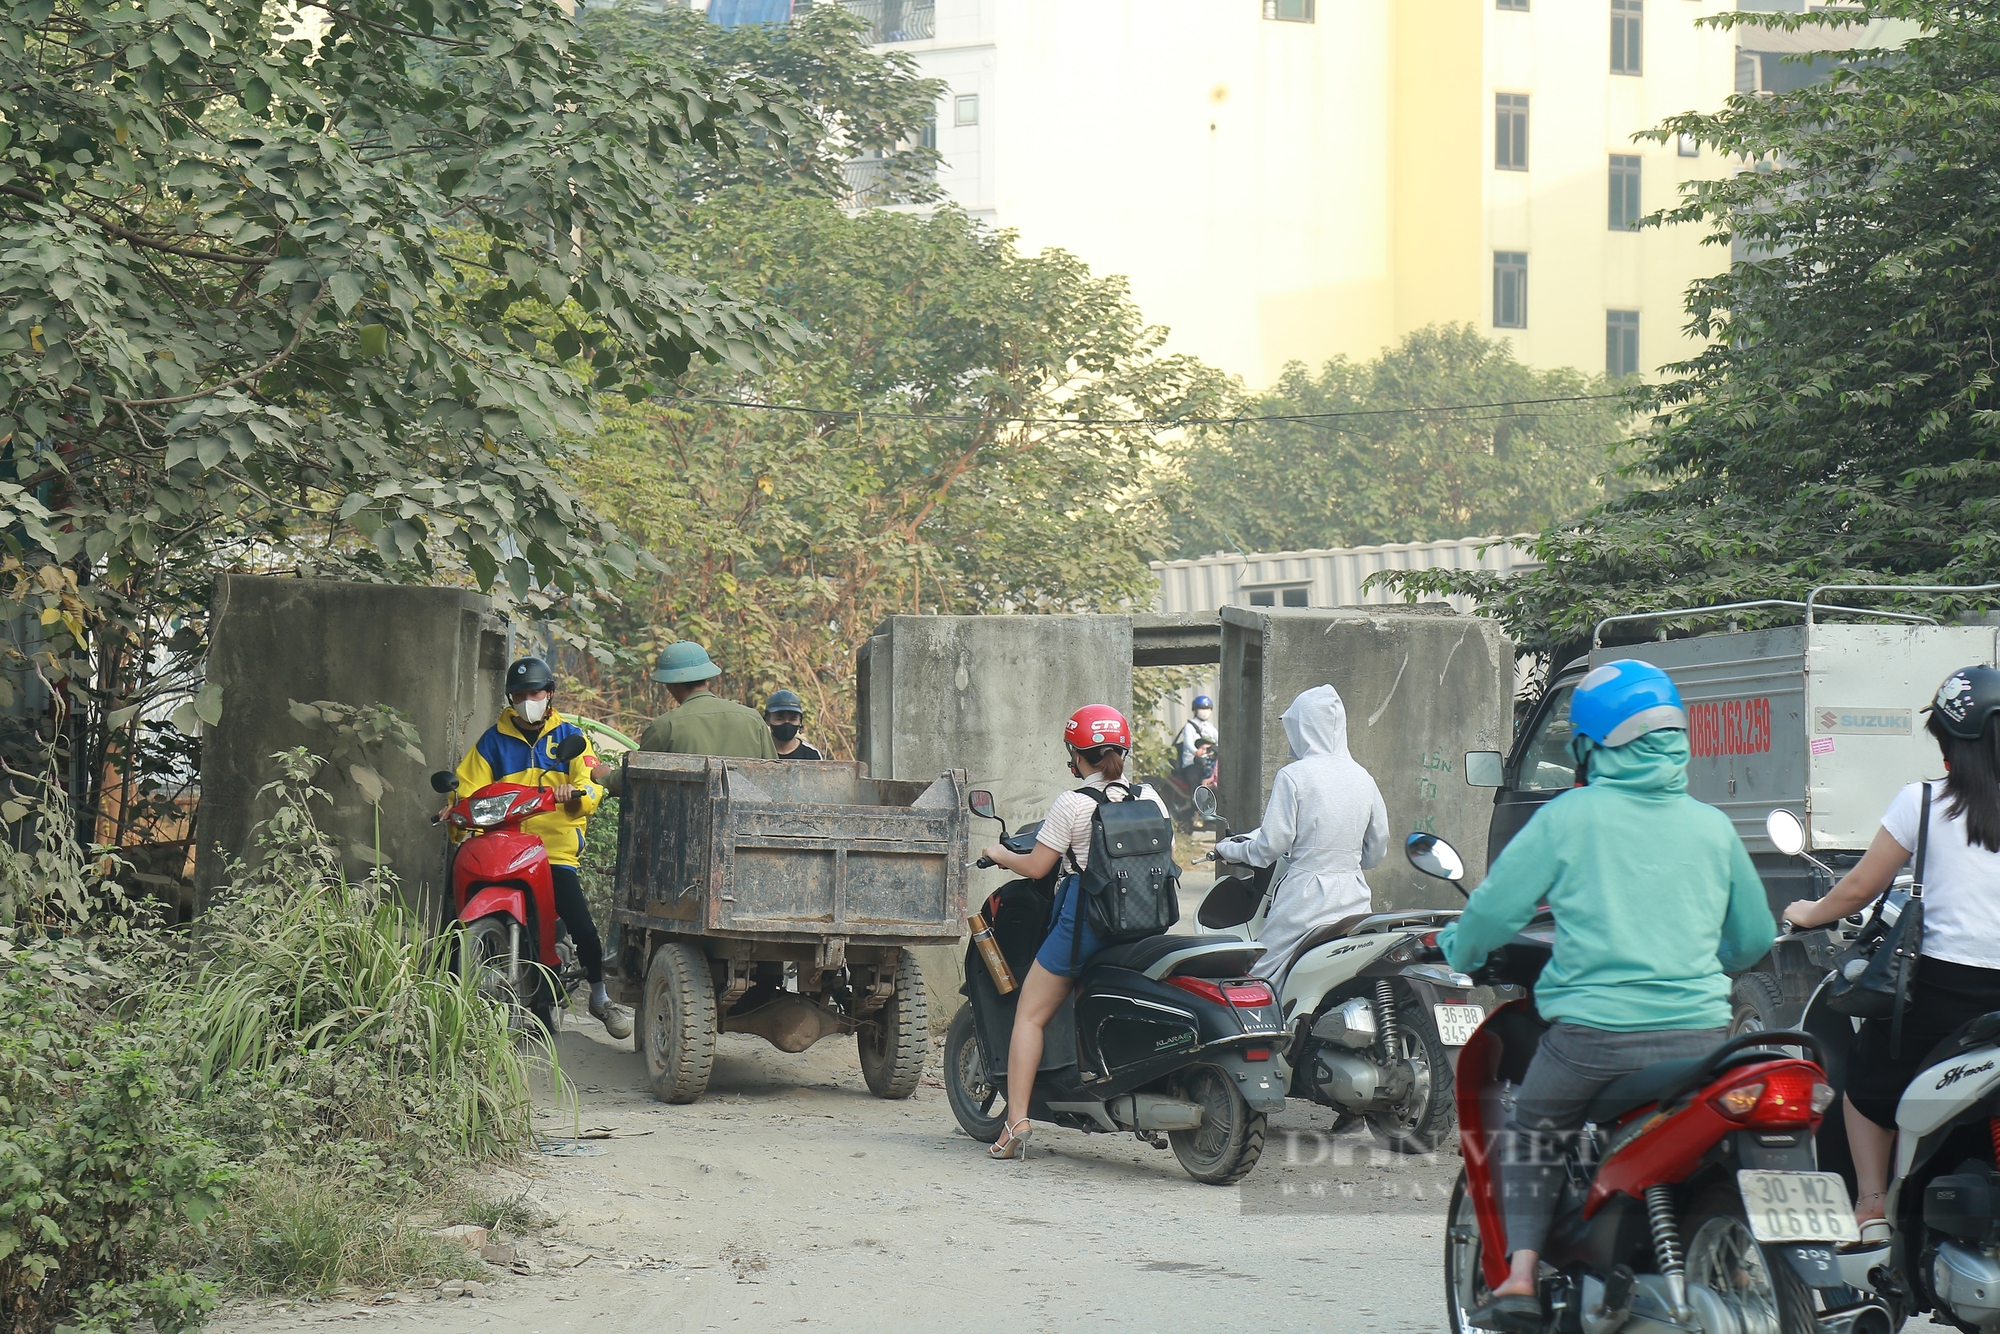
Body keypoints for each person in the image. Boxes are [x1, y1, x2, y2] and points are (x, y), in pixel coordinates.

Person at [1436, 660, 1774, 1331]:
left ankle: (1521, 1280)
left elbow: (1496, 909)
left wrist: (1460, 953)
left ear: (1590, 745)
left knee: (1530, 1133)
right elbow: (1752, 939)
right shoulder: (1711, 826)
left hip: (1592, 1040)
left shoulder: (1570, 816)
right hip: (1704, 1041)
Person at [1782, 664, 2000, 1242]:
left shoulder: (1923, 803)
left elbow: (1857, 890)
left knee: (1866, 1089)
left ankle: (1872, 1206)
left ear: (1948, 741)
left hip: (1940, 997)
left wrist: (1804, 912)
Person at [977, 705, 1168, 1161]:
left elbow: (1038, 865)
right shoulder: (1152, 798)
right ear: (1121, 750)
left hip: (1089, 925)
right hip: (1145, 924)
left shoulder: (1074, 802)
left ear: (1078, 758)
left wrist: (999, 853)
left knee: (1029, 1014)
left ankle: (1016, 1121)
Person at [453, 657, 633, 1039]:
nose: (526, 700)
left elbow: (591, 784)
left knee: (583, 925)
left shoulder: (570, 736)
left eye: (534, 693)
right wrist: (454, 809)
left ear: (549, 694)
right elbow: (467, 788)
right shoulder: (491, 742)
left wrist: (575, 795)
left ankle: (599, 997)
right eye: (519, 695)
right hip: (502, 844)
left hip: (553, 850)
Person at [1213, 685, 1389, 980]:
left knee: (1262, 975)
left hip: (1305, 901)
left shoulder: (1294, 776)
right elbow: (1378, 847)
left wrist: (1228, 849)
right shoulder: (1363, 777)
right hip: (1356, 898)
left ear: (1303, 727)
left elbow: (1268, 847)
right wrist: (1352, 863)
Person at [764, 689, 824, 760]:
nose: (786, 723)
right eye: (780, 719)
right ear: (767, 720)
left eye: (792, 719)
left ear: (800, 720)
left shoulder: (811, 754)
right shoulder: (759, 751)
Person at [1176, 694, 1218, 782]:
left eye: (1208, 709)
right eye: (1202, 709)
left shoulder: (1210, 726)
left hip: (1209, 762)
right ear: (1195, 710)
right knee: (1194, 777)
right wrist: (1196, 751)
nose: (1205, 711)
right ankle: (1194, 796)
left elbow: (1219, 740)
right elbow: (1188, 743)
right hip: (1192, 762)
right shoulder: (1189, 726)